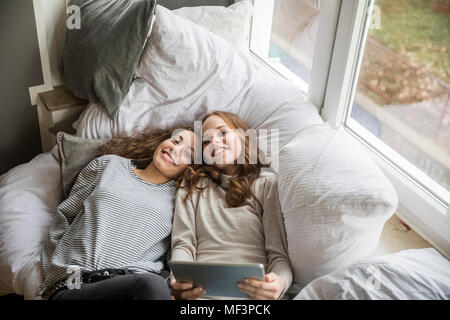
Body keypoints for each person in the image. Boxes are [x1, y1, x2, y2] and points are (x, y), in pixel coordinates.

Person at [38, 127, 195, 300]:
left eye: (187, 153)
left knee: (153, 285)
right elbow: (65, 217)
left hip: (135, 285)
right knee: (151, 285)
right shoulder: (108, 165)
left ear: (191, 169)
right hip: (77, 284)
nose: (175, 148)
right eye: (175, 140)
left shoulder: (181, 201)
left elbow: (176, 253)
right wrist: (54, 274)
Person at [170, 111, 293, 300]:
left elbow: (278, 256)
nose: (214, 143)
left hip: (253, 296)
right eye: (206, 141)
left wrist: (280, 283)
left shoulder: (266, 184)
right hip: (202, 294)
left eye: (222, 133)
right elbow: (183, 245)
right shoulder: (192, 185)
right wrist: (178, 280)